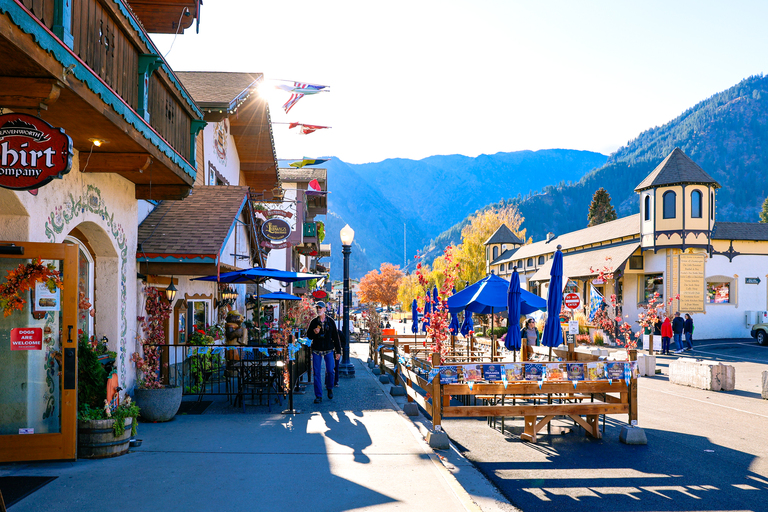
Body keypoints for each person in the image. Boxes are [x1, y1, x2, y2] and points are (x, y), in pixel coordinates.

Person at [306, 302, 342, 404]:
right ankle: (318, 396)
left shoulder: (330, 321)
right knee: (316, 373)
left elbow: (336, 337)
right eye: (317, 308)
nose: (319, 309)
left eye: (320, 308)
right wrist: (314, 332)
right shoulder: (313, 322)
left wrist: (338, 351)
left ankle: (329, 387)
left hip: (329, 350)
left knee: (330, 371)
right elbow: (308, 336)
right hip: (316, 350)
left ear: (325, 309)